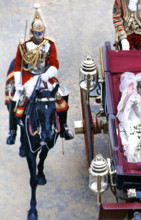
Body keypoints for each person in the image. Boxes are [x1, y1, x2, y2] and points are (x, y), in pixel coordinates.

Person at [11, 4, 73, 155]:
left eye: (41, 33)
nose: (39, 36)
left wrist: (49, 73)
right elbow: (18, 64)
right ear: (32, 32)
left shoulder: (49, 44)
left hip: (45, 75)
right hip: (29, 76)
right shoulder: (23, 46)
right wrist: (19, 83)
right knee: (18, 97)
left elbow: (54, 63)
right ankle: (15, 128)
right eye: (37, 33)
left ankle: (64, 127)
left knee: (61, 94)